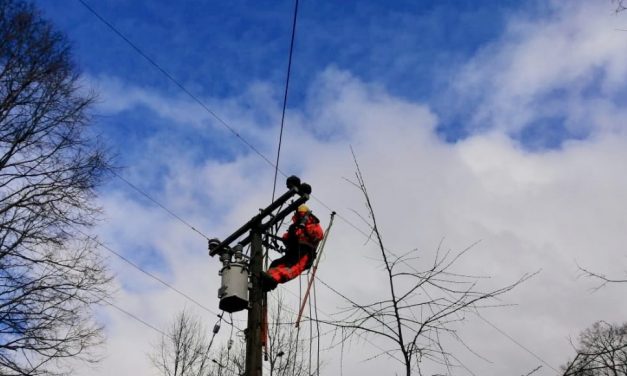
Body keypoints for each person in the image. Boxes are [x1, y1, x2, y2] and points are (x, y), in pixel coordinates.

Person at [261, 204, 324, 292]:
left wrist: (305, 224)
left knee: (291, 268)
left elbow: (318, 235)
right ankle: (268, 278)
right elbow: (287, 238)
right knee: (276, 263)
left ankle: (273, 279)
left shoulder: (314, 225)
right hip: (293, 251)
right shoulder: (296, 227)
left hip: (305, 252)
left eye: (302, 215)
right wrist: (290, 233)